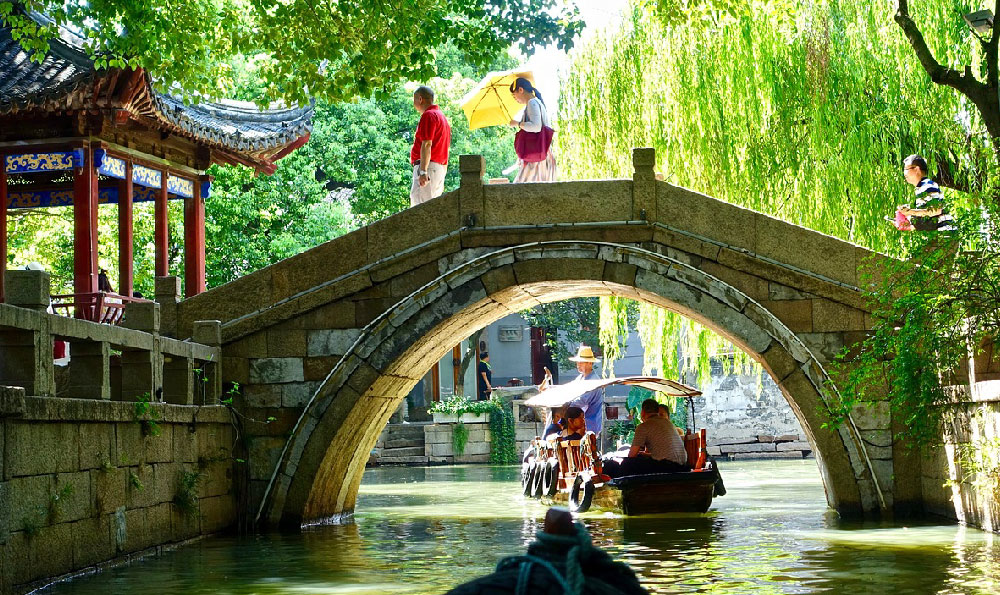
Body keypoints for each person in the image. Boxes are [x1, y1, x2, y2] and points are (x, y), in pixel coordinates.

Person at [604, 398, 689, 478]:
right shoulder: (668, 423)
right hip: (683, 465)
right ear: (657, 412)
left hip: (667, 467)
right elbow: (665, 453)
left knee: (626, 464)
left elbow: (632, 455)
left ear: (643, 412)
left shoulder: (643, 427)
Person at [508, 77, 557, 183]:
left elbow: (536, 127)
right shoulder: (537, 103)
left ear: (520, 90)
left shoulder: (532, 103)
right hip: (542, 152)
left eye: (514, 95)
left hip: (536, 154)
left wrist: (517, 123)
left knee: (520, 189)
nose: (514, 98)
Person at [410, 85, 451, 206]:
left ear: (420, 99)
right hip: (438, 169)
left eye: (414, 99)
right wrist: (443, 173)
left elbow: (427, 144)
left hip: (428, 168)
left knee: (420, 207)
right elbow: (445, 149)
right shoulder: (442, 118)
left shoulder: (428, 115)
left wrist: (423, 172)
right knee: (432, 208)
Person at [897, 155, 956, 233]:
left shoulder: (927, 185)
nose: (904, 173)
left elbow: (936, 210)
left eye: (906, 169)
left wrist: (910, 212)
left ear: (917, 169)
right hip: (939, 235)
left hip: (945, 234)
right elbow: (928, 220)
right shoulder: (921, 188)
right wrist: (908, 224)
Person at [567, 345, 604, 437]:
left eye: (581, 362)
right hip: (579, 425)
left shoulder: (593, 382)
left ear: (590, 363)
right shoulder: (580, 378)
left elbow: (580, 402)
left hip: (589, 426)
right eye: (578, 362)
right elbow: (568, 389)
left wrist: (564, 404)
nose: (578, 365)